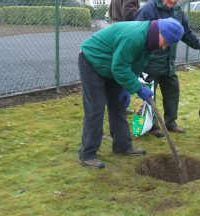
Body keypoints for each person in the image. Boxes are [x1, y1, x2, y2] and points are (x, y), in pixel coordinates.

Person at [78, 18, 184, 169]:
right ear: (160, 32)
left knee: (118, 106)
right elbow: (120, 68)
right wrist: (138, 88)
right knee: (96, 108)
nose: (165, 46)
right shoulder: (135, 37)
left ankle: (122, 146)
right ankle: (87, 154)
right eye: (166, 41)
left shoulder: (150, 42)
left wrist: (125, 88)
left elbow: (133, 66)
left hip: (111, 65)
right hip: (92, 60)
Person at [134, 0, 200, 137]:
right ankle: (150, 126)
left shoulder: (178, 11)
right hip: (150, 62)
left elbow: (185, 32)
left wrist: (198, 44)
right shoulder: (148, 9)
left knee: (172, 91)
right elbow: (137, 31)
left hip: (168, 62)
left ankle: (170, 122)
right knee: (147, 95)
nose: (173, 1)